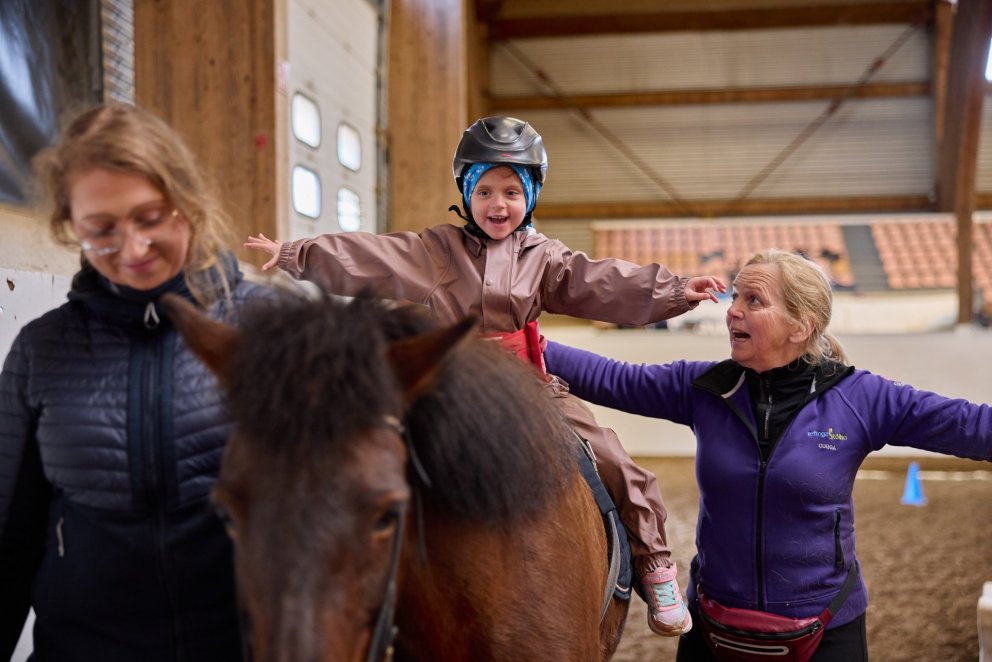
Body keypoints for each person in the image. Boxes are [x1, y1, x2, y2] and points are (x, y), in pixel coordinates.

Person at [244, 116, 726, 636]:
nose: (499, 204)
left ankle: (654, 562)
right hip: (450, 388)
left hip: (528, 388)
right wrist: (296, 254)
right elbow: (372, 255)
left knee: (609, 454)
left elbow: (605, 282)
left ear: (532, 196)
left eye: (513, 191)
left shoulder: (547, 259)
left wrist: (674, 290)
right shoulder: (435, 251)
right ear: (467, 193)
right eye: (487, 190)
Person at [542, 248, 992, 661]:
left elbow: (970, 426)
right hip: (712, 628)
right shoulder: (706, 389)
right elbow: (611, 377)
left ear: (802, 325)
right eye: (735, 296)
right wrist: (525, 342)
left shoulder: (861, 398)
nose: (732, 310)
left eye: (753, 300)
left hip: (825, 630)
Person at [0, 103, 271, 661]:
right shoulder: (42, 350)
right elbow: (9, 538)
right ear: (71, 226)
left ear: (187, 202)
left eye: (150, 218)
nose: (131, 250)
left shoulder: (271, 331)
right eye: (101, 231)